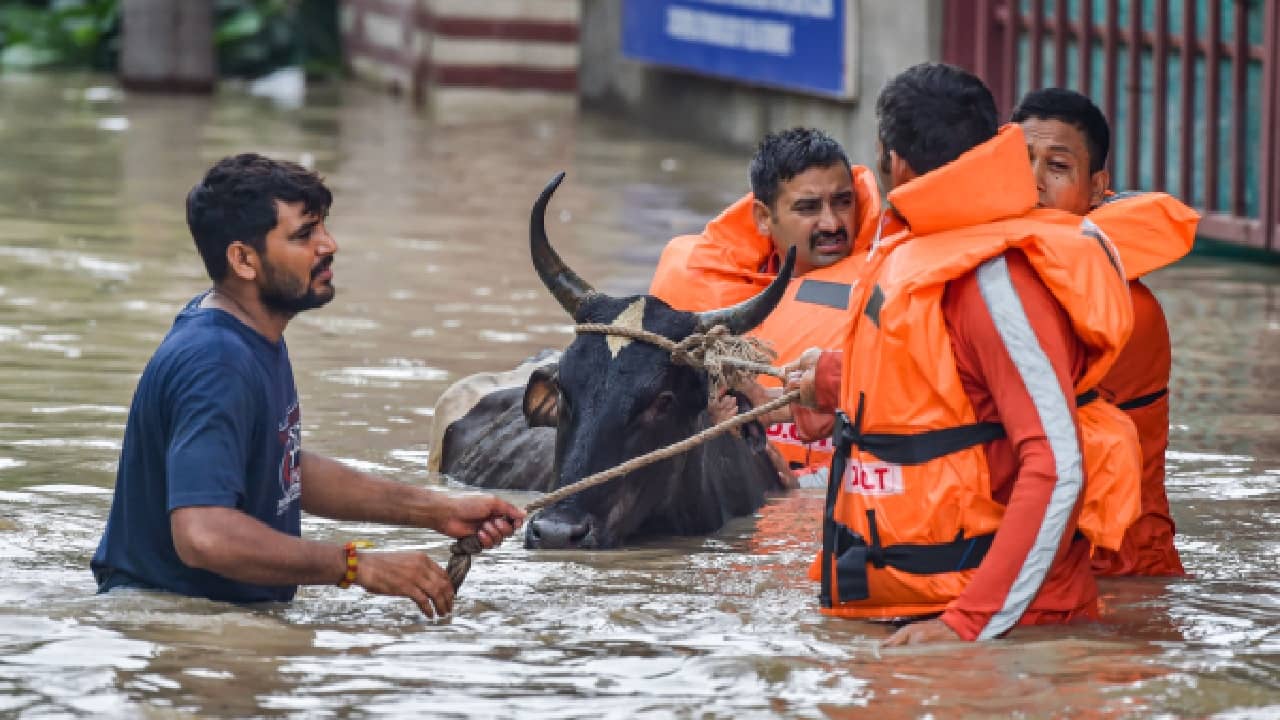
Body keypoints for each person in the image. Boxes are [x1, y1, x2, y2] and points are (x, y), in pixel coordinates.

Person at [781, 63, 1137, 645]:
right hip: (912, 613)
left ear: (891, 162)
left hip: (1009, 634)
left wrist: (966, 627)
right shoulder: (916, 254)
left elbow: (1056, 466)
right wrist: (831, 380)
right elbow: (941, 392)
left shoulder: (997, 279)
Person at [91, 154, 525, 617]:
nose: (329, 245)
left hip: (214, 616)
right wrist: (357, 567)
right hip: (179, 623)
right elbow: (205, 535)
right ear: (243, 259)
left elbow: (281, 465)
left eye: (323, 227)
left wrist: (435, 511)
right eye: (304, 234)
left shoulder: (245, 333)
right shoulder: (217, 361)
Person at [1012, 88, 1198, 576]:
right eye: (1021, 162)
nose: (1033, 184)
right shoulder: (1011, 276)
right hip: (1059, 559)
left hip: (1123, 573)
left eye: (1056, 167)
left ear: (1097, 189)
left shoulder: (1125, 308)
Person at [650, 128, 881, 483]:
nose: (833, 223)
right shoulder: (700, 283)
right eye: (808, 207)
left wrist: (802, 487)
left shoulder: (890, 285)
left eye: (843, 202)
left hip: (824, 497)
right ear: (762, 217)